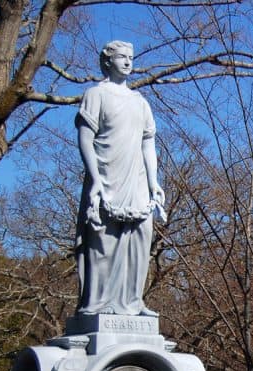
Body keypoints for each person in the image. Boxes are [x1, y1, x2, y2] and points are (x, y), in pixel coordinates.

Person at [75, 40, 166, 317]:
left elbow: (148, 144)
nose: (127, 61)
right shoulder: (95, 95)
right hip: (106, 177)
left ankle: (132, 302)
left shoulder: (140, 102)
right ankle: (99, 304)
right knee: (103, 241)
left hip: (137, 182)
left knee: (140, 239)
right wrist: (95, 180)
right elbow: (85, 139)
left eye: (130, 56)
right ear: (107, 61)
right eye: (121, 57)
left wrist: (154, 182)